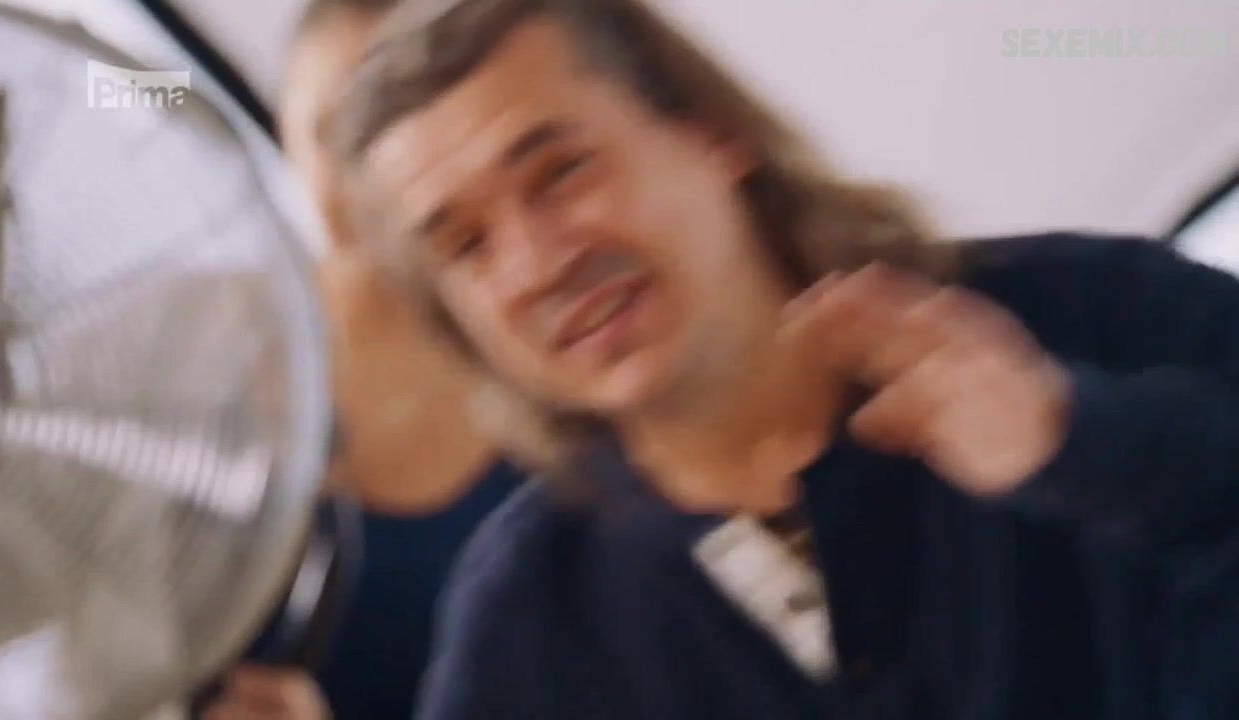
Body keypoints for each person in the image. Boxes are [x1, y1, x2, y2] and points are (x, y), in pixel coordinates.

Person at [327, 0, 1239, 718]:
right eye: (467, 246)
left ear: (710, 132)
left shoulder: (1088, 314)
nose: (536, 265)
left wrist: (1083, 444)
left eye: (562, 172)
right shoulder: (524, 628)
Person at [200, 1, 522, 718]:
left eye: (396, 112)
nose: (367, 164)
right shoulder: (199, 359)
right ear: (286, 135)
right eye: (331, 128)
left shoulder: (553, 361)